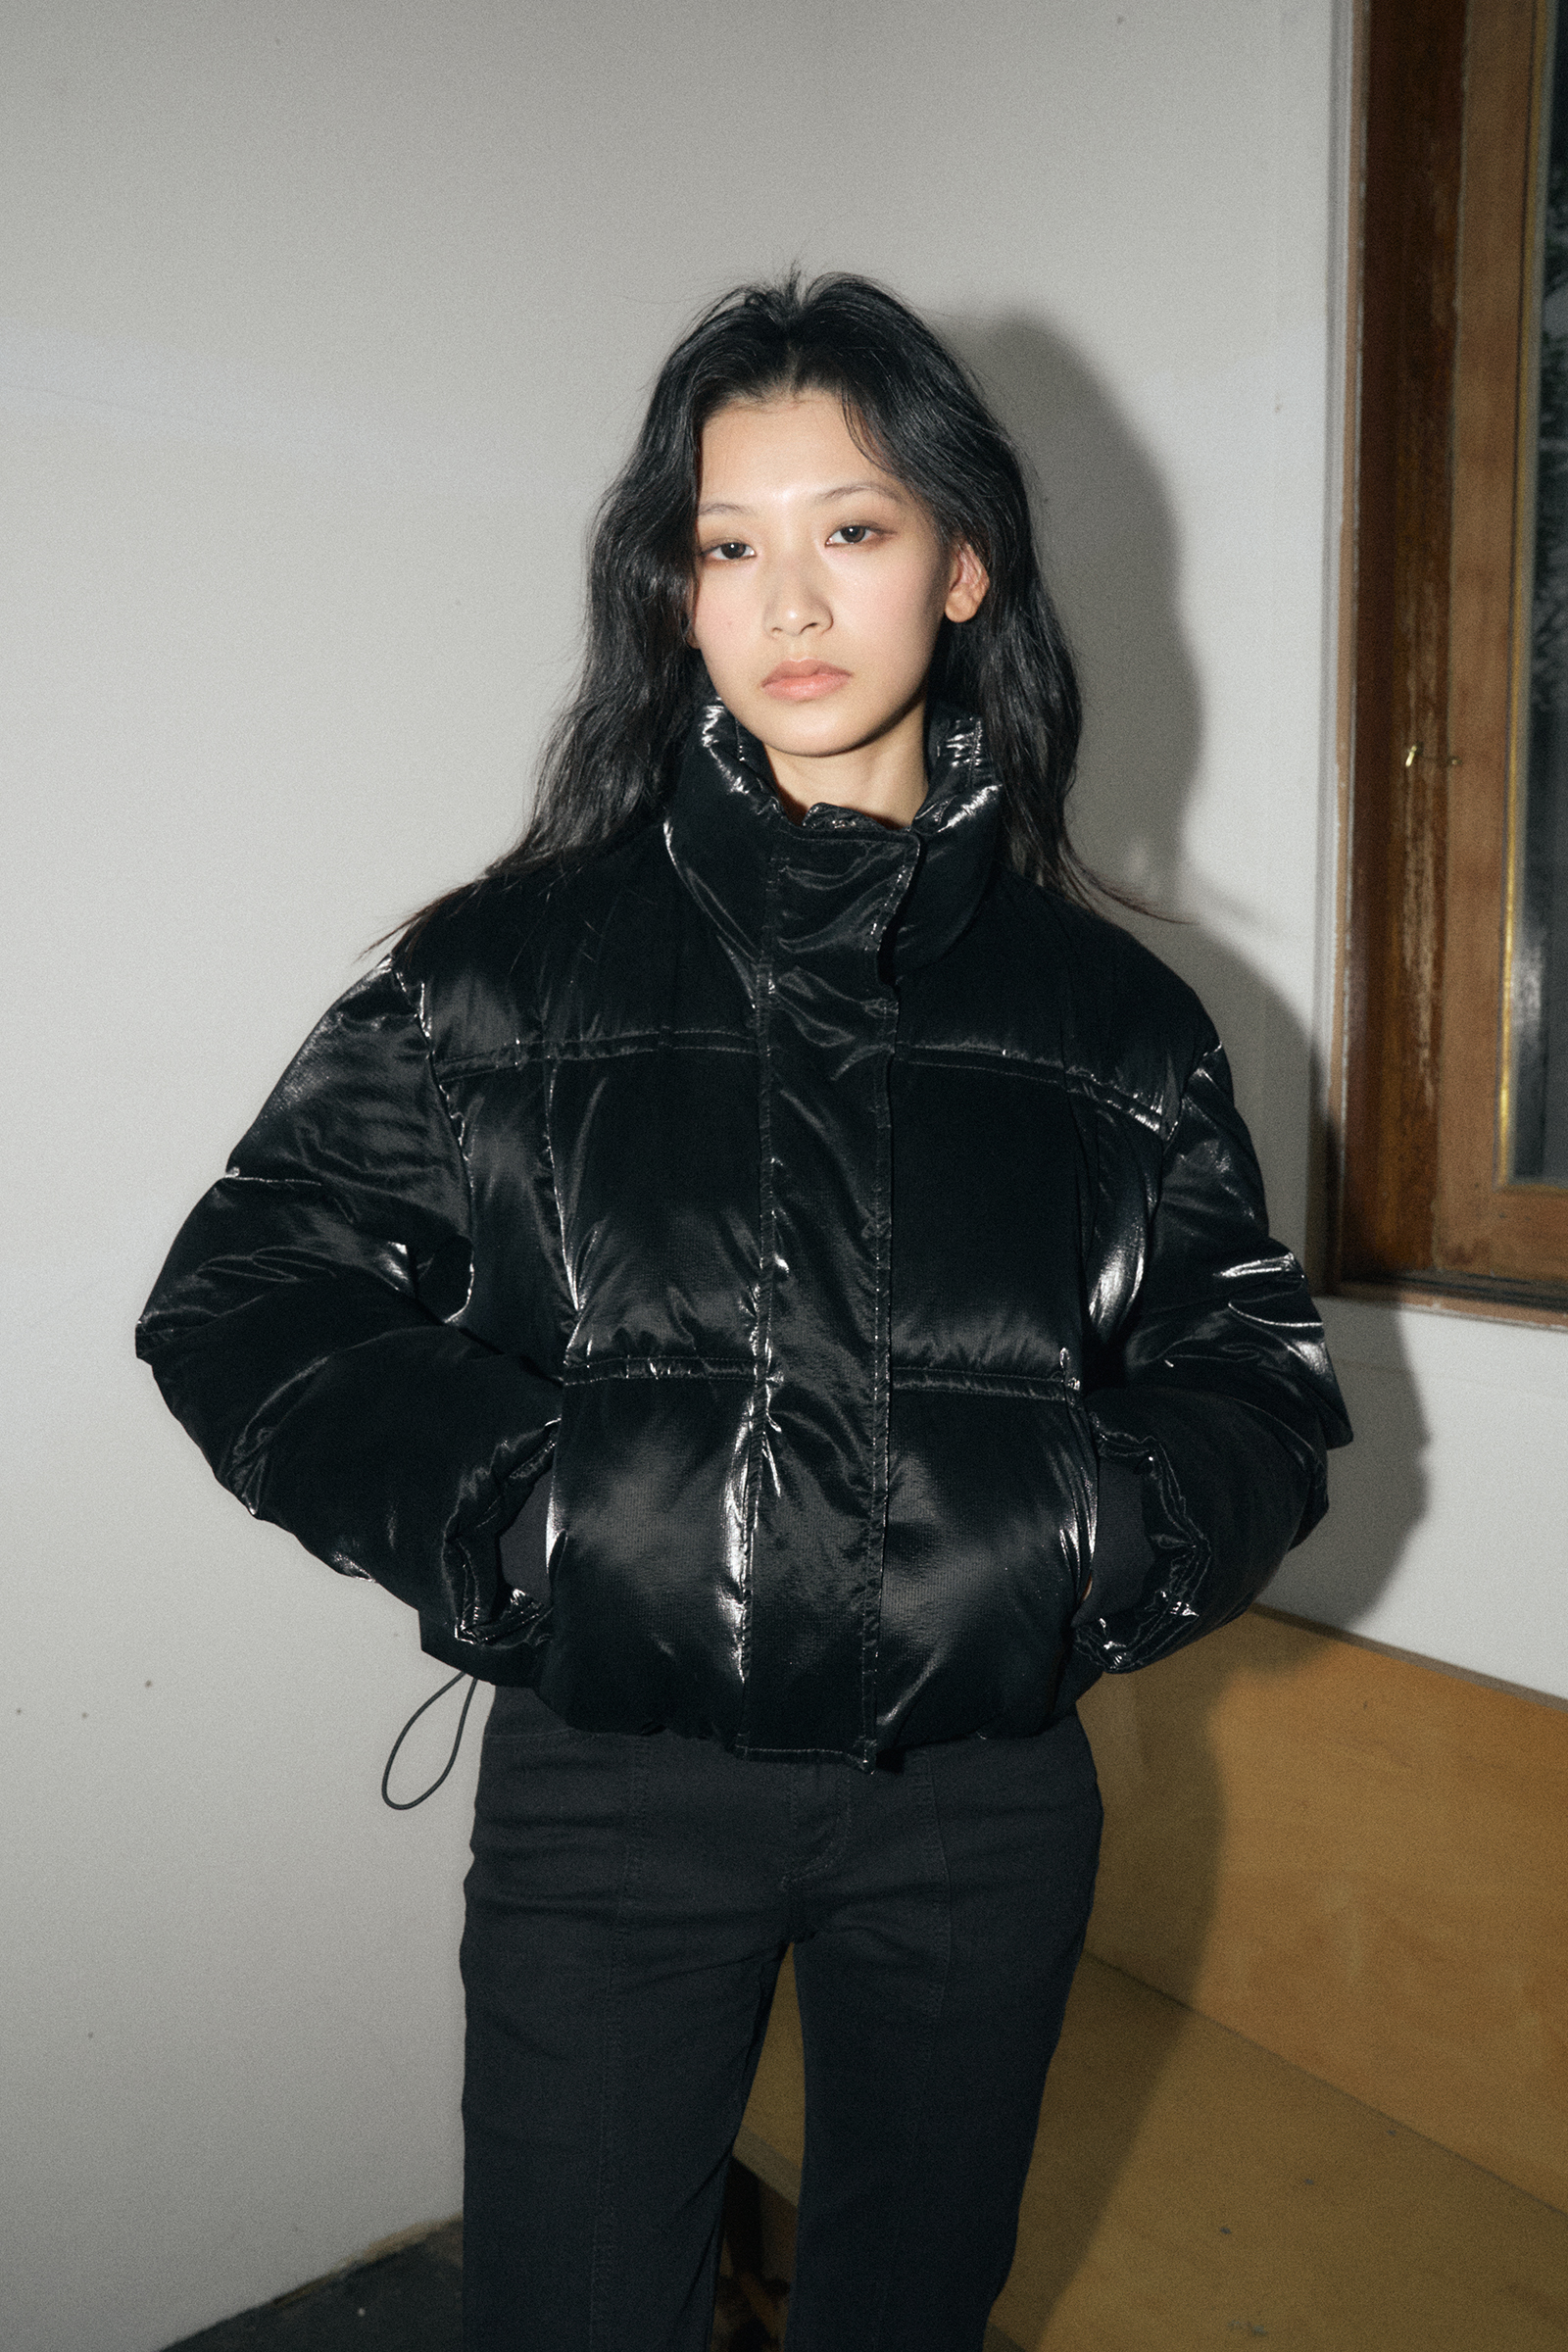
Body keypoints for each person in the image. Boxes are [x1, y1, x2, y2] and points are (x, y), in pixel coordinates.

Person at [137, 272, 1351, 2352]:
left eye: (852, 527)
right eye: (725, 544)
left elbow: (1254, 1375)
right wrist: (533, 1522)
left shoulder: (1116, 1018)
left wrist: (1082, 1543)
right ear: (671, 592)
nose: (786, 598)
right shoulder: (500, 969)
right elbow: (245, 1296)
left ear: (962, 563)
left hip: (980, 1801)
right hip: (614, 1789)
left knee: (912, 2311)